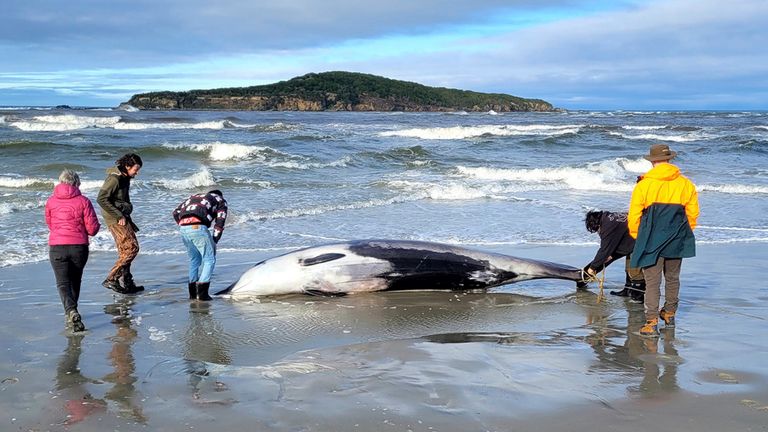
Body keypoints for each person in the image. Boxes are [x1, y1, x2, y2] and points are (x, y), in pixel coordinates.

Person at [629, 144, 699, 337]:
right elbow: (693, 214)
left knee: (652, 281)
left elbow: (633, 215)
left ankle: (651, 323)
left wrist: (638, 236)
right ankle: (669, 314)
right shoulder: (686, 184)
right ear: (669, 160)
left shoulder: (644, 184)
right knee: (673, 278)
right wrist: (683, 232)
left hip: (651, 239)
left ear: (653, 162)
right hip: (677, 237)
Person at [45, 169, 100, 332]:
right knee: (75, 280)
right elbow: (92, 229)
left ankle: (71, 311)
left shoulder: (50, 201)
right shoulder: (84, 201)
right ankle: (72, 311)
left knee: (62, 282)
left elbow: (49, 224)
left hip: (57, 247)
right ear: (76, 183)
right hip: (79, 247)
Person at [97, 153, 144, 294]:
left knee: (125, 251)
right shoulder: (114, 178)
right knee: (132, 249)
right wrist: (118, 215)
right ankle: (111, 279)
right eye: (136, 169)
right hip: (115, 219)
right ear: (127, 166)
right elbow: (101, 199)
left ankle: (127, 282)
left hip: (122, 216)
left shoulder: (125, 178)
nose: (138, 172)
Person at [172, 190, 228, 301]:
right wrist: (214, 240)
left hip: (183, 228)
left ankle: (192, 294)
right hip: (198, 227)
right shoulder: (220, 200)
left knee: (194, 260)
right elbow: (220, 222)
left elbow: (175, 212)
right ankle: (202, 295)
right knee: (209, 259)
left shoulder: (194, 197)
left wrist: (183, 224)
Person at [583, 210, 646, 302]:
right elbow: (618, 241)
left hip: (641, 239)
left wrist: (592, 268)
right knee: (628, 268)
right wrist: (611, 255)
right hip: (633, 238)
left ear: (597, 224)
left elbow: (604, 250)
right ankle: (628, 290)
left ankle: (639, 295)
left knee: (634, 270)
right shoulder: (609, 218)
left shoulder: (608, 226)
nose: (598, 232)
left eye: (597, 230)